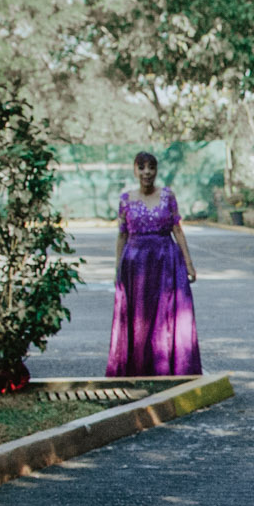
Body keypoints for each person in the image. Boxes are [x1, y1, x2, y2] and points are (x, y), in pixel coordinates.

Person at [106, 151, 202, 376]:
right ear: (135, 170)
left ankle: (167, 367)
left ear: (157, 170)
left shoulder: (167, 196)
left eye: (151, 167)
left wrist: (188, 263)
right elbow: (122, 235)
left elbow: (177, 228)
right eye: (142, 167)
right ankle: (140, 368)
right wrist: (117, 268)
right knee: (139, 317)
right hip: (136, 265)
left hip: (165, 262)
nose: (147, 172)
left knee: (166, 313)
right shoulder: (126, 199)